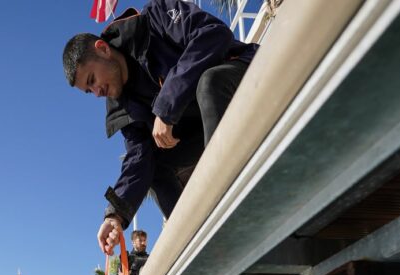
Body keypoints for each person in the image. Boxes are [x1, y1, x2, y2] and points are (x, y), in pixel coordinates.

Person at [63, 0, 259, 256]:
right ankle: (196, 238)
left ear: (102, 49)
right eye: (89, 91)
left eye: (92, 80)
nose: (97, 92)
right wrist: (116, 216)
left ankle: (227, 199)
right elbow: (138, 159)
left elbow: (214, 34)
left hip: (240, 77)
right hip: (203, 126)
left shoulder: (156, 19)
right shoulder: (121, 103)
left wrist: (168, 103)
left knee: (210, 84)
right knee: (154, 163)